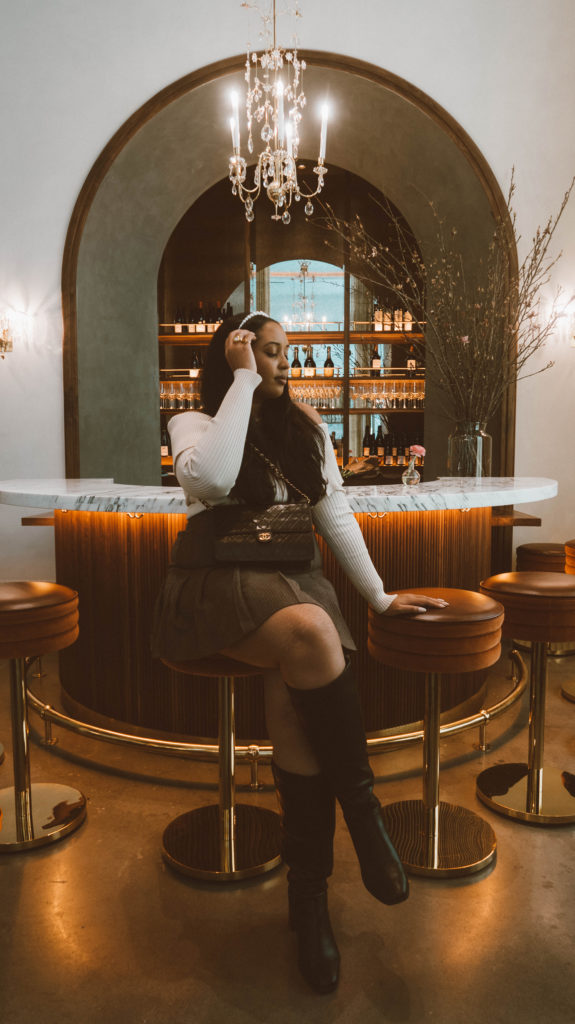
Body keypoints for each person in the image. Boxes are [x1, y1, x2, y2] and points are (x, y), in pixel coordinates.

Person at [152, 311, 447, 995]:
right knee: (313, 634)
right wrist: (242, 384)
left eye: (286, 353)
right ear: (236, 356)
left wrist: (377, 597)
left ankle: (306, 898)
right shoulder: (196, 422)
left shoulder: (308, 430)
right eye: (269, 353)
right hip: (212, 588)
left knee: (296, 707)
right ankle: (363, 814)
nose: (284, 363)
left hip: (291, 580)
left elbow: (332, 512)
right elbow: (212, 482)